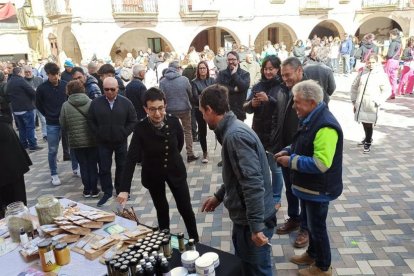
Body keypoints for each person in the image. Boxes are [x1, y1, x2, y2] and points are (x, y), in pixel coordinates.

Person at [200, 84, 276, 275]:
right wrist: (219, 196)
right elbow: (238, 176)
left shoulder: (235, 136)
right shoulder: (230, 131)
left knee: (257, 270)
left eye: (202, 112)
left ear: (209, 110)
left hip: (253, 222)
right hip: (247, 219)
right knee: (247, 266)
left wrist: (257, 227)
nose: (202, 117)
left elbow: (252, 184)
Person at [275, 80, 342, 276]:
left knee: (317, 227)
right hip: (309, 188)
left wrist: (291, 161)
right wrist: (287, 150)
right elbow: (302, 144)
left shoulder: (325, 126)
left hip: (319, 189)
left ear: (312, 102)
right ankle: (312, 253)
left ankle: (323, 267)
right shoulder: (311, 118)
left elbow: (321, 163)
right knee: (311, 225)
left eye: (297, 102)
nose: (294, 106)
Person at [117, 87, 199, 242]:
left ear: (165, 106)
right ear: (145, 109)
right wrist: (124, 189)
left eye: (161, 108)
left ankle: (196, 241)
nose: (157, 114)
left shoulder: (174, 122)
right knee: (162, 210)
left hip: (175, 171)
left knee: (186, 209)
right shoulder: (141, 128)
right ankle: (165, 241)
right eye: (152, 109)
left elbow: (179, 143)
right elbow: (130, 159)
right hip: (153, 174)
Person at [272, 57, 308, 248]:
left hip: (302, 155)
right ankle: (294, 218)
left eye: (288, 75)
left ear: (299, 71)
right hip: (286, 149)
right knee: (291, 188)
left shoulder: (310, 92)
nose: (285, 79)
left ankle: (306, 228)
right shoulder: (287, 89)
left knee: (304, 192)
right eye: (283, 75)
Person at [243, 55, 284, 211]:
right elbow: (245, 107)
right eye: (265, 69)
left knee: (275, 168)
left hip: (275, 134)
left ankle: (276, 198)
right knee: (260, 168)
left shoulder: (282, 87)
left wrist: (270, 100)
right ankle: (264, 195)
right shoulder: (258, 86)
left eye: (271, 69)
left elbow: (285, 108)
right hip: (258, 133)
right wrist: (252, 104)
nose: (268, 72)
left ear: (277, 69)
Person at [88, 77, 137, 207]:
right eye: (106, 89)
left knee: (122, 166)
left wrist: (124, 132)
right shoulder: (96, 103)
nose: (109, 92)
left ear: (117, 89)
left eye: (112, 89)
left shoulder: (126, 103)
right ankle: (107, 191)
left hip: (120, 140)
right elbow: (91, 120)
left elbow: (133, 120)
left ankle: (121, 190)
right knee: (104, 167)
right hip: (103, 142)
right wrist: (98, 133)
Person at [36, 62, 75, 186]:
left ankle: (76, 168)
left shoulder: (65, 85)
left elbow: (70, 100)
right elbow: (38, 105)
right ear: (47, 74)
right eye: (52, 75)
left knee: (73, 146)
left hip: (67, 121)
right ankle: (54, 173)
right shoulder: (42, 88)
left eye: (56, 74)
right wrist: (48, 114)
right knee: (53, 150)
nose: (55, 77)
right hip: (52, 123)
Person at [59, 80, 99, 198]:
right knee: (93, 164)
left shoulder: (66, 105)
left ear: (69, 91)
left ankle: (87, 190)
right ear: (83, 89)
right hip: (92, 139)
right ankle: (95, 190)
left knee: (83, 165)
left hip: (76, 142)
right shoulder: (91, 102)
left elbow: (63, 124)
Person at [159, 60, 199, 163]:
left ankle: (173, 153)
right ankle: (190, 154)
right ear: (178, 68)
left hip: (170, 110)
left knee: (170, 131)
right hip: (184, 108)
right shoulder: (184, 80)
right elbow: (190, 94)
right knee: (187, 131)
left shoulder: (163, 81)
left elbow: (161, 97)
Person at [351, 54, 390, 153]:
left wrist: (378, 101)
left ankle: (368, 140)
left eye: (373, 62)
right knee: (364, 121)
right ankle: (367, 138)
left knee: (369, 123)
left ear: (377, 63)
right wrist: (354, 100)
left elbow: (387, 90)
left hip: (372, 103)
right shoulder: (362, 72)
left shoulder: (381, 74)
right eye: (369, 62)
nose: (371, 64)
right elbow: (354, 86)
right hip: (361, 102)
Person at [0, 115, 32, 218]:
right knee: (19, 206)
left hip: (9, 172)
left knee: (16, 209)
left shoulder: (4, 126)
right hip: (13, 170)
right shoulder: (5, 124)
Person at [6, 67, 41, 152]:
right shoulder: (21, 80)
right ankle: (32, 145)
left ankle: (24, 144)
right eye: (22, 72)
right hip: (26, 107)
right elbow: (32, 92)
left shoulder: (9, 82)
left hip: (16, 109)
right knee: (30, 127)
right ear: (19, 73)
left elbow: (7, 94)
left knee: (22, 128)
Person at [215, 51, 250, 121]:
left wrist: (234, 74)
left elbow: (243, 87)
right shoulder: (222, 73)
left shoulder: (245, 74)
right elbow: (218, 87)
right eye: (229, 60)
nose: (231, 62)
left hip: (239, 110)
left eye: (233, 59)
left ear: (238, 61)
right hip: (225, 109)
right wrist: (233, 90)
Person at [191, 61, 215, 163]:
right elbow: (195, 97)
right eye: (200, 68)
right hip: (200, 110)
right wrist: (207, 97)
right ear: (198, 70)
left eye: (204, 68)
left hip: (213, 109)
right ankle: (205, 152)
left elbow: (216, 93)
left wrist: (203, 96)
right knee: (202, 131)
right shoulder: (194, 82)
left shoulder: (212, 80)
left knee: (218, 129)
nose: (202, 70)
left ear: (207, 69)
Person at [384, 28, 402, 99]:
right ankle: (393, 93)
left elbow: (390, 54)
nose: (390, 37)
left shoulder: (393, 43)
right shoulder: (399, 43)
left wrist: (386, 56)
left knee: (387, 77)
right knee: (394, 78)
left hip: (391, 61)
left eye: (391, 35)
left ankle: (387, 93)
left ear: (394, 35)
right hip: (396, 61)